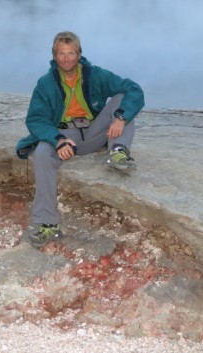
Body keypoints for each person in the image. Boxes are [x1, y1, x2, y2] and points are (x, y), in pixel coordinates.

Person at [16, 31, 145, 247]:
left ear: (79, 54)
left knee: (122, 101)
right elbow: (36, 119)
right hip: (65, 135)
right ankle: (48, 225)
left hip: (94, 132)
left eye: (71, 53)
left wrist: (121, 118)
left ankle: (118, 152)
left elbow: (133, 89)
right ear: (54, 56)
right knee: (41, 154)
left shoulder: (94, 75)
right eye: (61, 54)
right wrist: (58, 140)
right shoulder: (46, 83)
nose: (66, 58)